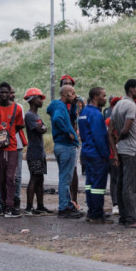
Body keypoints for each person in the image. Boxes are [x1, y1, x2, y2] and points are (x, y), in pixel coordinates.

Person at [109, 79, 136, 228]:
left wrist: (115, 149)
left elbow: (109, 132)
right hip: (132, 151)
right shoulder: (131, 106)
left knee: (121, 184)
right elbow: (125, 129)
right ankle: (132, 219)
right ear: (131, 89)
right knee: (130, 186)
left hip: (123, 150)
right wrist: (120, 138)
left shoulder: (118, 105)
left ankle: (124, 217)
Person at [0, 82, 24, 218]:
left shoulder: (17, 109)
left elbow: (19, 126)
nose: (3, 95)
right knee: (1, 177)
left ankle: (10, 205)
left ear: (10, 93)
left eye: (6, 92)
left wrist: (8, 136)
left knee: (10, 177)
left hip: (12, 147)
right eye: (1, 92)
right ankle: (3, 205)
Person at [78, 87, 113, 224]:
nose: (105, 98)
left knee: (90, 183)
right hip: (97, 154)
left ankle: (91, 211)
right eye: (103, 96)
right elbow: (99, 137)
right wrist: (106, 155)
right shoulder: (96, 114)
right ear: (96, 97)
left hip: (87, 152)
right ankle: (97, 215)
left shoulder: (84, 112)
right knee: (98, 186)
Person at [47, 85, 82, 219]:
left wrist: (73, 105)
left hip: (62, 145)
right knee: (65, 179)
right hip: (66, 145)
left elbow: (72, 117)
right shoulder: (60, 106)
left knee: (65, 177)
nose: (75, 95)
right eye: (72, 93)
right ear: (66, 94)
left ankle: (67, 203)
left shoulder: (59, 106)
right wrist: (68, 133)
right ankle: (63, 207)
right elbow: (57, 119)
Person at [23, 88, 53, 216]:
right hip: (34, 153)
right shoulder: (29, 115)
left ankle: (40, 206)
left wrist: (43, 128)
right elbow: (40, 130)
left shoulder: (36, 115)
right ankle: (29, 207)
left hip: (40, 152)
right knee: (34, 178)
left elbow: (43, 128)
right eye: (39, 98)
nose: (41, 101)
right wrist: (43, 128)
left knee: (40, 179)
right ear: (33, 100)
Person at [60, 76, 83, 209]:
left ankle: (74, 199)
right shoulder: (59, 103)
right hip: (63, 139)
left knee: (73, 169)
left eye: (70, 84)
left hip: (75, 138)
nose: (68, 87)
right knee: (66, 171)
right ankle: (66, 200)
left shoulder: (79, 101)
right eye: (65, 84)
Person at [106, 96, 122, 215]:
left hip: (125, 154)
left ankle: (121, 203)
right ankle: (115, 204)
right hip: (112, 155)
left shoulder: (127, 120)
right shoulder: (108, 122)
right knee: (115, 179)